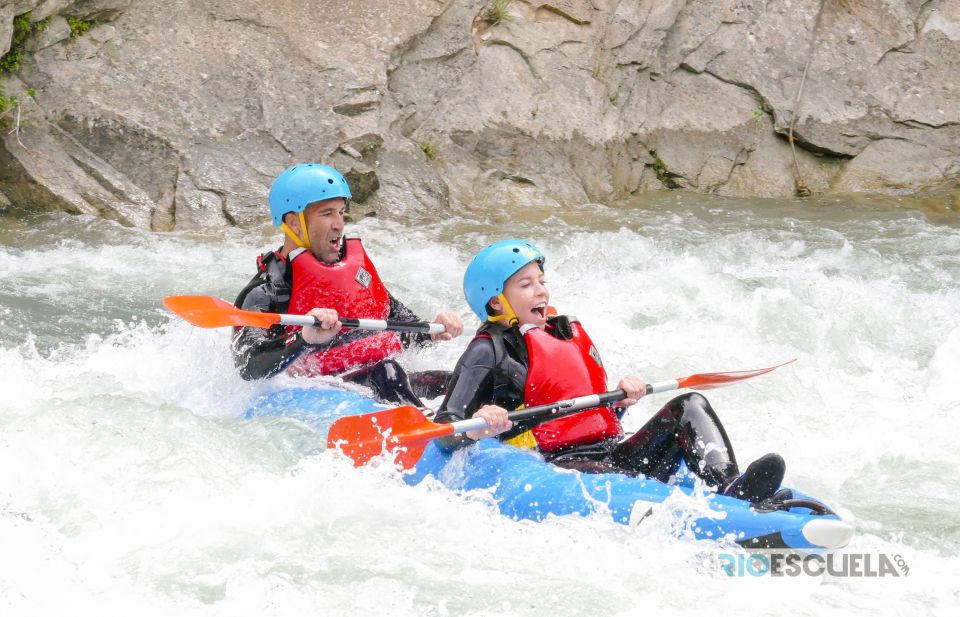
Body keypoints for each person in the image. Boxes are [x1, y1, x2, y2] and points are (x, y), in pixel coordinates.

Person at [432, 239, 786, 504]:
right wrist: (482, 422)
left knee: (689, 403)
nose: (540, 290)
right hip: (558, 464)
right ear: (496, 301)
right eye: (525, 285)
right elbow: (446, 428)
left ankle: (730, 488)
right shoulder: (486, 350)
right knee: (616, 479)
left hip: (612, 449)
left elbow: (583, 408)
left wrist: (622, 401)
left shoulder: (562, 333)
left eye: (540, 280)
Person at [231, 163, 462, 406]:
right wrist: (303, 339)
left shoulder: (354, 275)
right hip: (318, 394)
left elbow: (403, 329)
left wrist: (434, 330)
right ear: (294, 222)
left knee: (456, 381)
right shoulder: (264, 293)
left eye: (341, 212)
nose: (339, 224)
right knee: (387, 372)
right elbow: (248, 365)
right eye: (327, 213)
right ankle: (428, 431)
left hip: (376, 382)